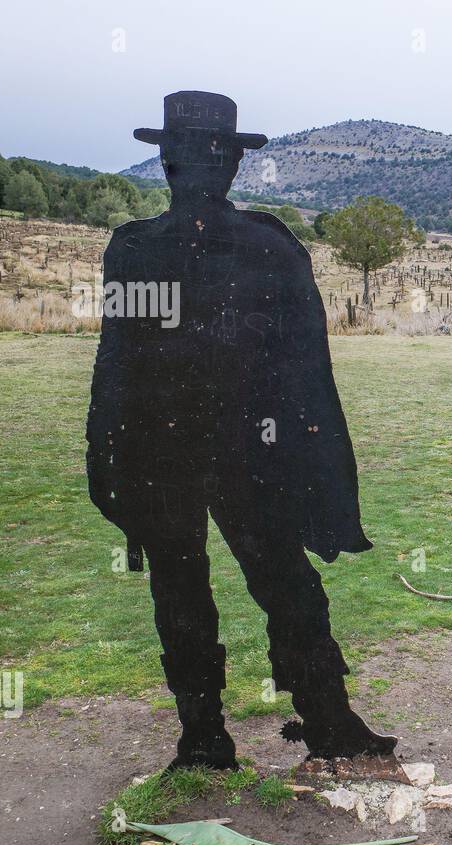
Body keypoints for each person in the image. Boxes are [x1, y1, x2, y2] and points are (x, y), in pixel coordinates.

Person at [85, 91, 396, 770]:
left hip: (245, 455)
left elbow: (304, 369)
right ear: (167, 159)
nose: (203, 166)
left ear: (230, 164)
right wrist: (103, 455)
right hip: (164, 457)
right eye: (192, 153)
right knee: (184, 592)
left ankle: (327, 721)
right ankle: (203, 737)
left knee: (284, 585)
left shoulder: (268, 249)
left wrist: (310, 460)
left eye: (215, 154)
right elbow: (117, 362)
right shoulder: (136, 252)